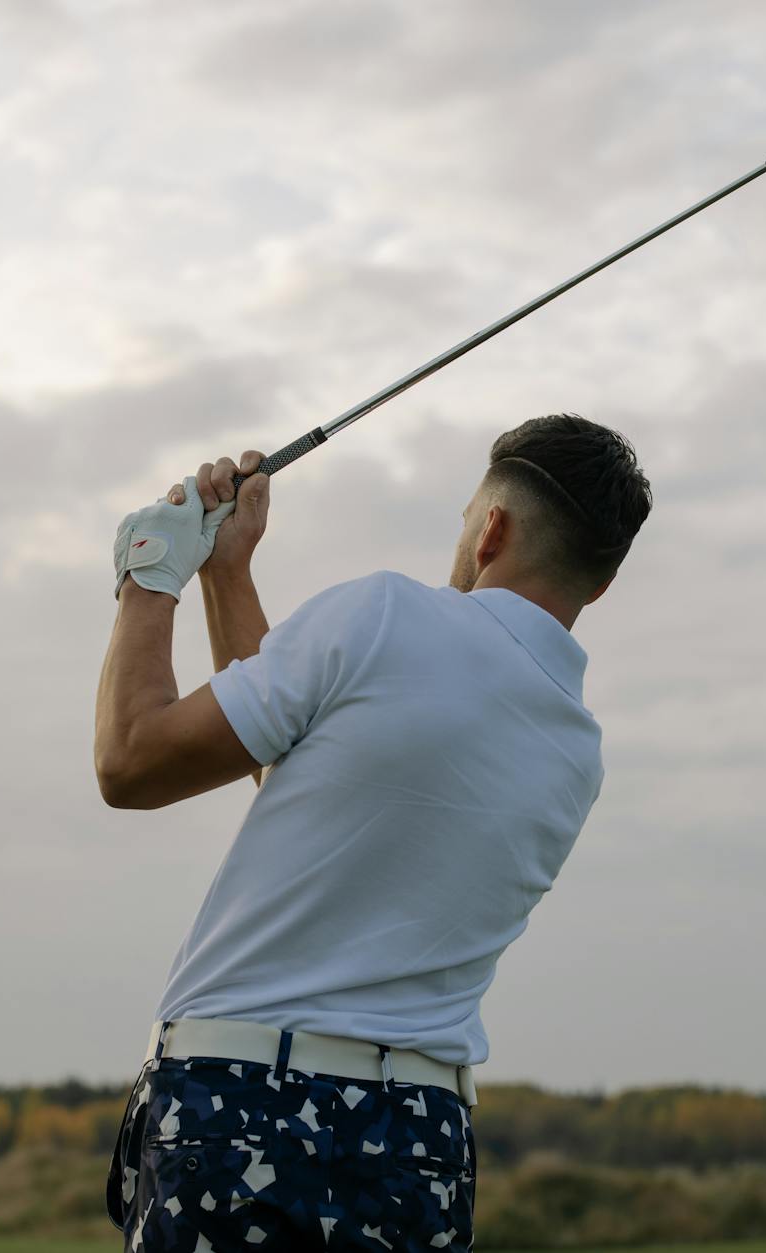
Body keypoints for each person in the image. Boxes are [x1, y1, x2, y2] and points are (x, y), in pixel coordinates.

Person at [94, 414, 651, 1251]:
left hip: (241, 1105)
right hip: (420, 1142)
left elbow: (131, 761)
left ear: (491, 528)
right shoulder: (579, 751)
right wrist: (227, 573)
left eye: (466, 518)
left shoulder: (384, 613)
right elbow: (303, 774)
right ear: (598, 585)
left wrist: (150, 570)